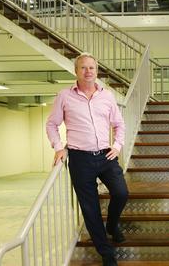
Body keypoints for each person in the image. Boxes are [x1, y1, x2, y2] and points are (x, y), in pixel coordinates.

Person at [46, 53, 128, 266]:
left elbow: (119, 124)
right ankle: (106, 253)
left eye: (92, 67)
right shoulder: (64, 96)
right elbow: (51, 124)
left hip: (105, 155)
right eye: (83, 67)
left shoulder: (107, 96)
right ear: (76, 71)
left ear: (96, 71)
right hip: (80, 159)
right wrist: (58, 147)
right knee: (90, 208)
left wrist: (117, 146)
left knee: (121, 192)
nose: (88, 71)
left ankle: (111, 225)